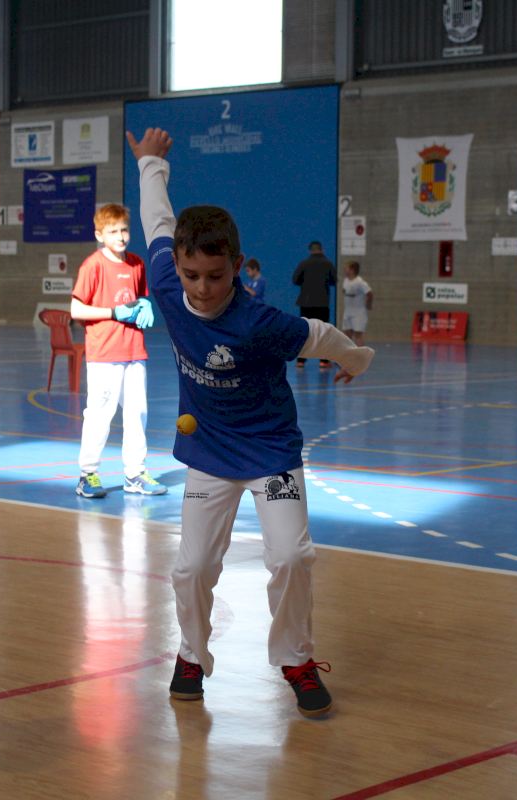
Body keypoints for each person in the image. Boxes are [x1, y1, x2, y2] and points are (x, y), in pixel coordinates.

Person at [126, 127, 374, 717]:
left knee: (291, 557)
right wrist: (152, 162)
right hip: (210, 454)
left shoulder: (260, 323)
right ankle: (191, 655)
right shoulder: (167, 283)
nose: (203, 288)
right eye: (192, 275)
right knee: (191, 567)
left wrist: (355, 358)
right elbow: (158, 221)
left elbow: (319, 334)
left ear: (237, 266)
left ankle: (295, 659)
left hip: (270, 453)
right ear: (177, 267)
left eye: (216, 276)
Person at [69, 203, 166, 499]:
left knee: (137, 414)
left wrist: (146, 304)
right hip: (104, 354)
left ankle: (135, 474)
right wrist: (113, 312)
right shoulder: (93, 266)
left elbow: (140, 297)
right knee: (99, 415)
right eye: (112, 232)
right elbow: (76, 309)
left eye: (124, 230)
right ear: (99, 235)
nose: (120, 236)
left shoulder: (136, 263)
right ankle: (87, 474)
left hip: (134, 351)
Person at [291, 240, 336, 368]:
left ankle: (301, 360)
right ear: (322, 249)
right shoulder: (328, 264)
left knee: (305, 330)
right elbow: (334, 280)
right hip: (322, 302)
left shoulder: (304, 263)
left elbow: (295, 279)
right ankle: (323, 361)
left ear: (310, 250)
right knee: (323, 331)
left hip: (306, 302)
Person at [340, 261, 373, 346]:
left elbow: (369, 293)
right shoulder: (346, 280)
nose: (345, 270)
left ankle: (361, 354)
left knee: (358, 335)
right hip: (347, 312)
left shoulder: (360, 282)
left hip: (359, 313)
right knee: (347, 336)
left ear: (352, 270)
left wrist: (368, 304)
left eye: (346, 268)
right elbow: (344, 290)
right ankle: (349, 354)